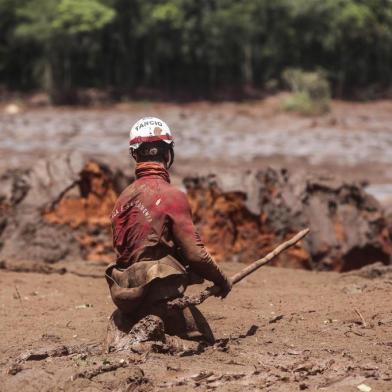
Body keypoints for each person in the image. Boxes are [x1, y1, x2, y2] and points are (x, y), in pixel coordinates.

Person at [105, 117, 232, 346]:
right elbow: (196, 255)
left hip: (126, 301)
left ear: (135, 155)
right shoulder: (172, 196)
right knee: (205, 343)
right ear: (167, 154)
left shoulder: (121, 199)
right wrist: (222, 280)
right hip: (162, 303)